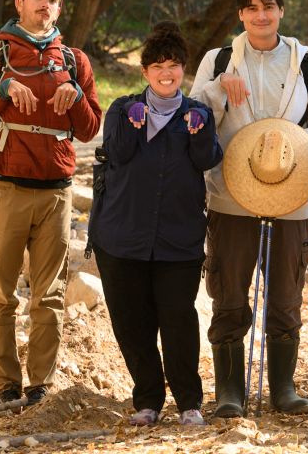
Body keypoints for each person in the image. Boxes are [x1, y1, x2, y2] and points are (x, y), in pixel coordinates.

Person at [189, 0, 308, 417]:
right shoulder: (217, 60)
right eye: (251, 8)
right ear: (240, 14)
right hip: (230, 196)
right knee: (229, 291)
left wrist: (292, 152)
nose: (261, 15)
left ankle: (283, 388)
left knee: (285, 293)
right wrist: (220, 92)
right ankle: (231, 392)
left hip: (291, 196)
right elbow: (194, 119)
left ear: (281, 11)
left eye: (268, 6)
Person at [0, 0, 102, 407]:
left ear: (59, 9)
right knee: (0, 294)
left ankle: (39, 388)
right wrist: (1, 89)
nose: (45, 4)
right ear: (19, 3)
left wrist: (75, 97)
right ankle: (4, 386)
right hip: (6, 189)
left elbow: (92, 130)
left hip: (58, 191)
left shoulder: (75, 61)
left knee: (50, 296)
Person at [91, 22, 222, 427]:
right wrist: (133, 123)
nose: (167, 73)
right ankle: (147, 400)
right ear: (145, 71)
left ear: (184, 70)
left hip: (177, 241)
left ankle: (189, 403)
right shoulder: (122, 109)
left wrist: (200, 135)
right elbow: (114, 152)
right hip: (122, 237)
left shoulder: (197, 113)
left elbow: (207, 160)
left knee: (179, 321)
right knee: (133, 323)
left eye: (175, 66)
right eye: (159, 66)